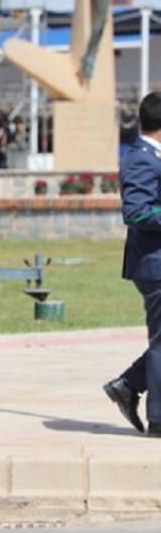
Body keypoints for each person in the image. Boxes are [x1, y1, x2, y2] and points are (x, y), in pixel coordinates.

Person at [105, 91, 161, 437]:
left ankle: (127, 385)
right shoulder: (140, 158)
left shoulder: (154, 156)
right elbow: (137, 211)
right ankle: (159, 419)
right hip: (154, 264)